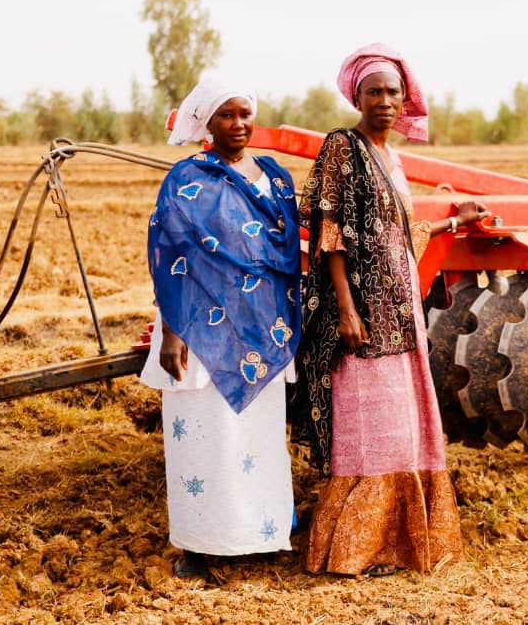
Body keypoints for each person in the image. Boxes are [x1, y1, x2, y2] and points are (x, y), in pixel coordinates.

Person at [292, 43, 484, 577]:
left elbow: (394, 236)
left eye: (392, 92)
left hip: (401, 309)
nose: (384, 100)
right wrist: (348, 311)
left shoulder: (392, 160)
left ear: (405, 101)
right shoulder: (342, 147)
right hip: (362, 315)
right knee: (367, 428)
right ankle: (354, 547)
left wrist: (452, 224)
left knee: (403, 425)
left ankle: (396, 543)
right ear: (357, 95)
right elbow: (329, 235)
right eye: (373, 91)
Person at [141, 78, 302, 579]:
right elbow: (170, 255)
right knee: (205, 438)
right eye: (227, 115)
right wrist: (172, 333)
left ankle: (260, 533)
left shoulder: (274, 178)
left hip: (261, 331)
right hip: (200, 330)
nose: (239, 125)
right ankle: (200, 545)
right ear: (206, 123)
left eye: (245, 114)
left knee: (258, 439)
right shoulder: (188, 177)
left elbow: (288, 251)